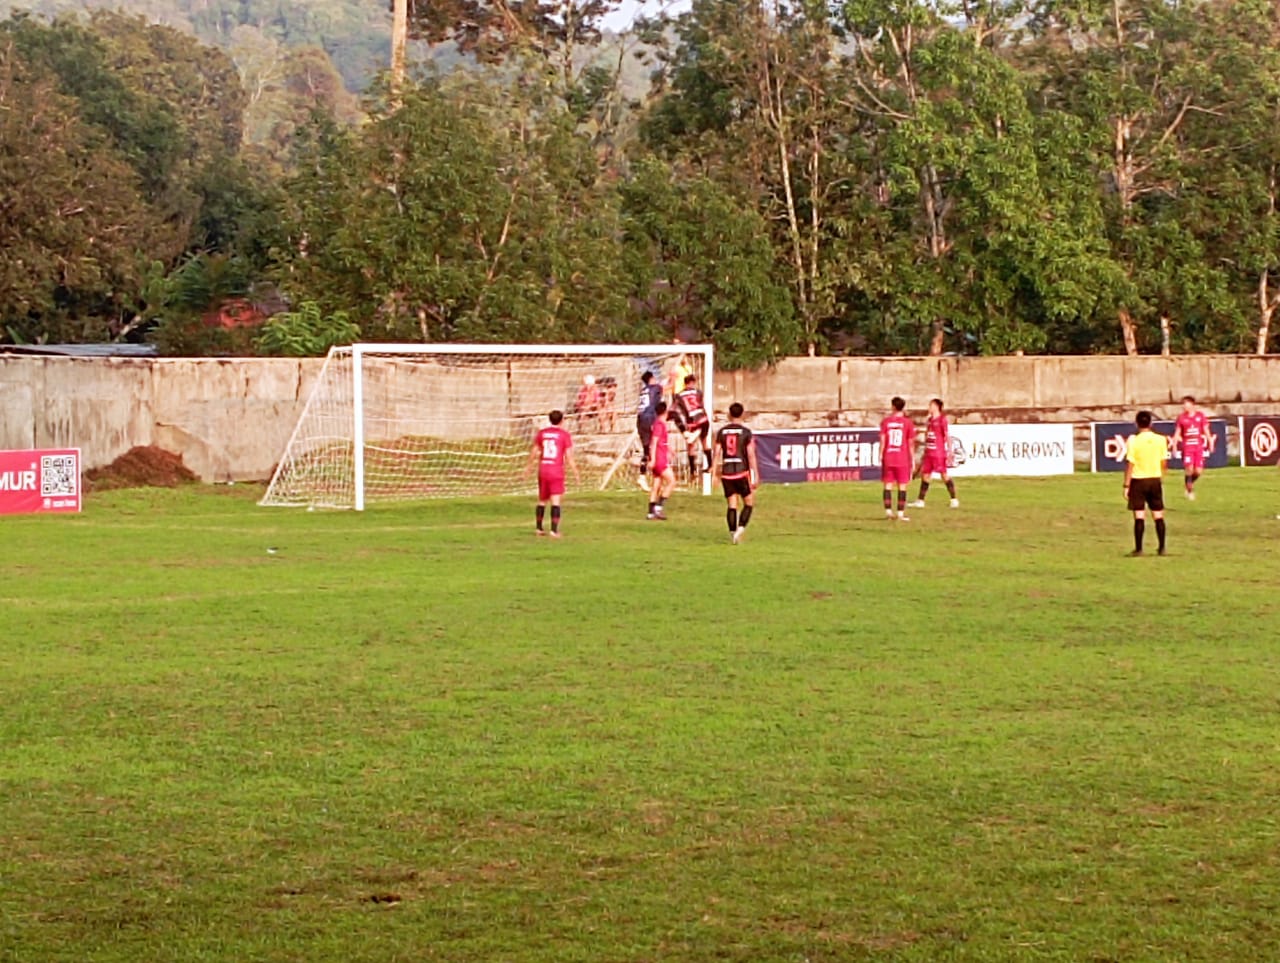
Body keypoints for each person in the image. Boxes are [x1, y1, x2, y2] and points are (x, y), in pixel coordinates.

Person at [524, 409, 581, 538]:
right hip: (556, 470)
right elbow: (569, 457)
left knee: (542, 500)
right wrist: (576, 473)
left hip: (543, 468)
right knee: (555, 500)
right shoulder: (564, 435)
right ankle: (554, 531)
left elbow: (534, 451)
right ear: (562, 420)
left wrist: (528, 467)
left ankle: (539, 529)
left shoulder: (542, 433)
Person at [1123, 410, 1168, 556]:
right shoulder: (1161, 439)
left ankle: (1139, 548)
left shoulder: (1133, 440)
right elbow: (1164, 462)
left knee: (1139, 515)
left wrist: (1126, 485)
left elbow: (1130, 463)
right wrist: (1161, 476)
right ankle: (1161, 547)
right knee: (1158, 515)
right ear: (1151, 423)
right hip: (1154, 479)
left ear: (1137, 424)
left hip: (1138, 480)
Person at [712, 402, 758, 544]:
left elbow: (716, 453)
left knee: (732, 504)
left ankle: (732, 533)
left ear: (729, 414)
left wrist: (714, 473)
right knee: (749, 503)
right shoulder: (746, 433)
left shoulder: (722, 432)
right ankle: (740, 529)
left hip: (727, 472)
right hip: (741, 472)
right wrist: (755, 474)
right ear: (742, 414)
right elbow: (751, 455)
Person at [911, 397, 959, 509]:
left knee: (944, 475)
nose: (929, 407)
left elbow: (947, 436)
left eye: (931, 405)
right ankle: (920, 500)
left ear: (937, 407)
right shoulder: (930, 420)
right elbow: (928, 434)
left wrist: (950, 451)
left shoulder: (942, 420)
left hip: (938, 452)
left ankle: (954, 499)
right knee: (925, 476)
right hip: (929, 452)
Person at [880, 396, 916, 521]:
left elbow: (883, 440)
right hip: (902, 458)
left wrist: (880, 455)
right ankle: (900, 513)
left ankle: (888, 512)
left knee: (888, 485)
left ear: (893, 406)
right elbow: (910, 442)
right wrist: (912, 459)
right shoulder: (908, 423)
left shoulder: (886, 422)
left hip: (889, 456)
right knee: (902, 486)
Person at [674, 373, 713, 478]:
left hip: (692, 421)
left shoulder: (679, 395)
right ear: (693, 382)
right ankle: (710, 465)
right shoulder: (699, 392)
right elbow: (700, 402)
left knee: (691, 446)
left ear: (685, 383)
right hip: (703, 418)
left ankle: (693, 471)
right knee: (704, 441)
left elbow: (679, 410)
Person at [1171, 395, 1209, 500]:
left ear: (1192, 405)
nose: (1184, 406)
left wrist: (1210, 441)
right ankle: (1190, 490)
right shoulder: (1181, 418)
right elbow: (1177, 433)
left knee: (1198, 471)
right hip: (1187, 447)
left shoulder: (1200, 416)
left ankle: (1188, 482)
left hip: (1198, 447)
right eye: (1183, 404)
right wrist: (1174, 446)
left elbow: (1206, 430)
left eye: (1186, 404)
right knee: (1189, 469)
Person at [646, 401, 676, 520]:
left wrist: (669, 449)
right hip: (659, 459)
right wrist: (653, 459)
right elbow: (654, 442)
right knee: (672, 481)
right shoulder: (659, 424)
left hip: (660, 456)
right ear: (665, 412)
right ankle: (658, 508)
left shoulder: (660, 424)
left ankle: (651, 512)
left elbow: (661, 441)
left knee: (656, 484)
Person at [635, 370, 663, 491]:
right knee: (656, 447)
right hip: (649, 419)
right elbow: (668, 387)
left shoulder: (643, 390)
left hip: (640, 420)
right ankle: (657, 477)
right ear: (651, 379)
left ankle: (642, 476)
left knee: (647, 450)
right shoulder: (655, 387)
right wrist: (674, 377)